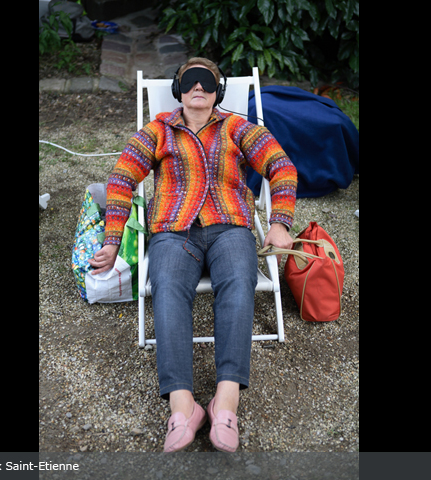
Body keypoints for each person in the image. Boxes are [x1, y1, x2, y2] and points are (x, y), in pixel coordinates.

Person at [88, 57, 297, 453]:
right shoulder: (157, 131)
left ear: (218, 91)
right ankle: (183, 408)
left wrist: (280, 223)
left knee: (239, 283)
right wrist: (112, 240)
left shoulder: (238, 128)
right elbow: (121, 179)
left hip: (230, 227)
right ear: (178, 90)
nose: (198, 87)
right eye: (190, 81)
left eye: (207, 81)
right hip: (173, 230)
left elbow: (281, 166)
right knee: (167, 288)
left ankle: (225, 402)